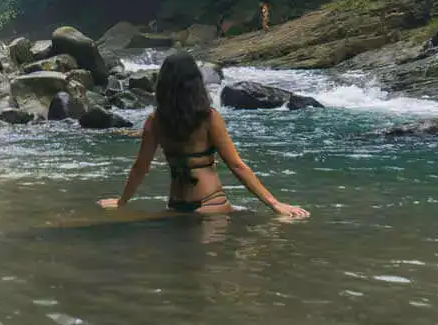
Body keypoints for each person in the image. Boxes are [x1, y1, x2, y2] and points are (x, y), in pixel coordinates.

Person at [97, 52, 310, 218]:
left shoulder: (155, 121)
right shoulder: (208, 118)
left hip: (176, 206)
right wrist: (275, 204)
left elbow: (140, 167)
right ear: (196, 82)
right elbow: (236, 166)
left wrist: (121, 202)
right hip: (211, 205)